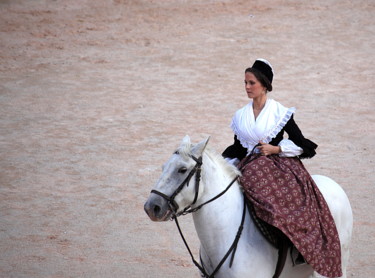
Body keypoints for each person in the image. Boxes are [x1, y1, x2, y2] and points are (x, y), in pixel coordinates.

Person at [222, 59, 342, 278]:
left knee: (291, 201)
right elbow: (239, 147)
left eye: (252, 83)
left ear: (265, 85)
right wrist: (221, 163)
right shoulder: (240, 116)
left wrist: (276, 149)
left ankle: (294, 246)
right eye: (245, 82)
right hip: (249, 164)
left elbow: (301, 142)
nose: (247, 87)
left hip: (278, 165)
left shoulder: (280, 112)